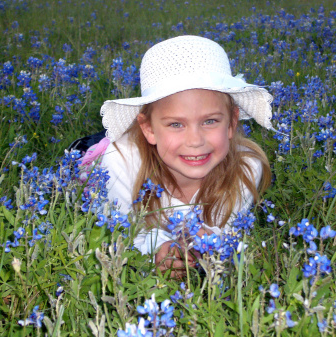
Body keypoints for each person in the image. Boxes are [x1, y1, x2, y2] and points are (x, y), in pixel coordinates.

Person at [85, 35, 273, 277]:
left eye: (210, 121)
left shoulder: (247, 167)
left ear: (231, 123)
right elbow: (117, 233)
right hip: (118, 153)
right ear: (149, 128)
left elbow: (227, 233)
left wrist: (210, 242)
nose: (195, 141)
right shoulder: (119, 161)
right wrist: (153, 250)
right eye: (176, 124)